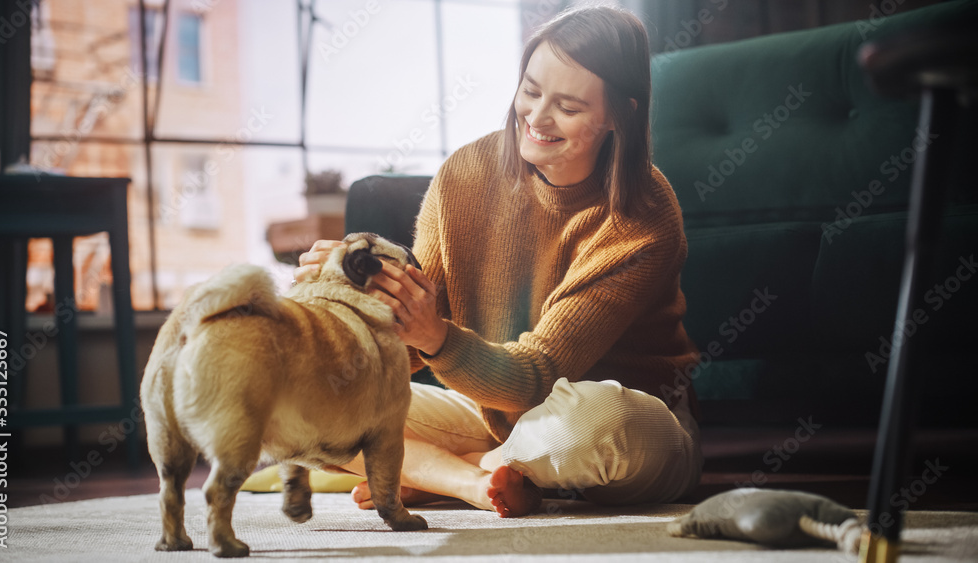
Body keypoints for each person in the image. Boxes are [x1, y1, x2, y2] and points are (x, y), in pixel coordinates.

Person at [295, 5, 702, 518]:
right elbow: (411, 348)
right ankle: (469, 479)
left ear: (619, 114)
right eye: (530, 91)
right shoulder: (465, 174)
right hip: (494, 414)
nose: (536, 117)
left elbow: (537, 376)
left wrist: (435, 335)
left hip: (620, 424)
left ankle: (432, 469)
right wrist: (364, 288)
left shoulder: (642, 216)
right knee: (290, 397)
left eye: (568, 107)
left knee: (591, 421)